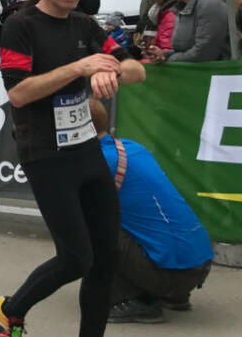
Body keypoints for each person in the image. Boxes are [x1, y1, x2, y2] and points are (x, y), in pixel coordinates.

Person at [0, 0, 148, 337]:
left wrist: (112, 71)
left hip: (85, 149)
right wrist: (80, 66)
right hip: (45, 154)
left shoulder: (86, 25)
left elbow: (137, 69)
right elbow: (19, 93)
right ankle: (10, 309)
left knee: (105, 255)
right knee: (76, 256)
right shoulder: (20, 27)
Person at [84, 99, 213, 324]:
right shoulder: (131, 147)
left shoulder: (99, 162)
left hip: (175, 273)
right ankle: (172, 293)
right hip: (198, 263)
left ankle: (131, 300)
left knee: (92, 227)